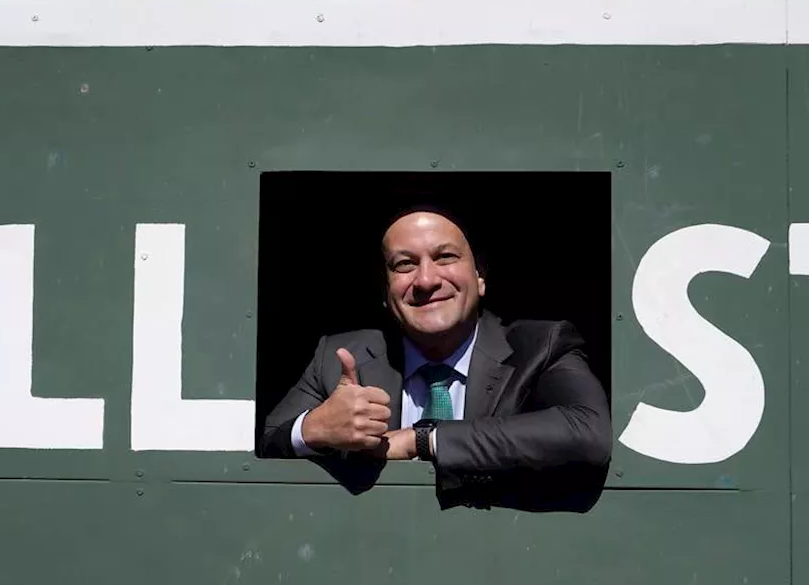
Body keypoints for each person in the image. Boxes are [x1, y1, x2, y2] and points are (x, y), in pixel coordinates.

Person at [257, 205, 613, 511]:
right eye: (404, 264)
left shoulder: (539, 347)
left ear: (480, 276)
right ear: (385, 292)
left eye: (445, 257)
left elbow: (587, 432)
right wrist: (315, 428)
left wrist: (423, 439)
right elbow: (265, 443)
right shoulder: (339, 357)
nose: (426, 280)